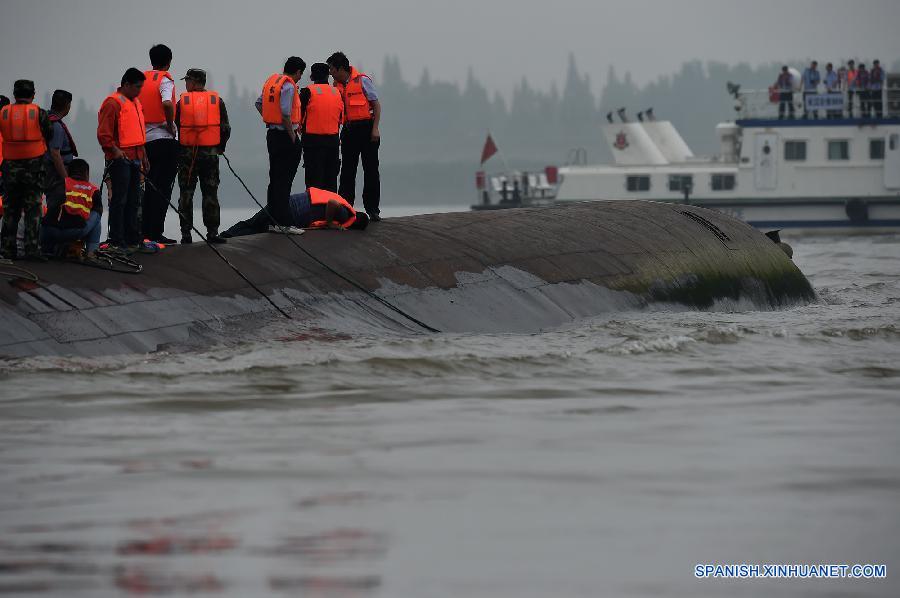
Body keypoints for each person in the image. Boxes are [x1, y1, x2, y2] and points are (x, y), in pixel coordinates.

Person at [175, 68, 231, 244]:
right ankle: (213, 232)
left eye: (187, 80)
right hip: (210, 155)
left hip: (187, 155)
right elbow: (225, 128)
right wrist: (221, 147)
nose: (185, 84)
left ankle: (186, 234)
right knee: (210, 193)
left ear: (194, 82)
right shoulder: (216, 101)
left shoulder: (181, 102)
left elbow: (176, 125)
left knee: (186, 193)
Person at [97, 68, 149, 252]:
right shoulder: (112, 103)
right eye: (137, 87)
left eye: (141, 87)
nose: (139, 91)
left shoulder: (135, 102)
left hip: (136, 158)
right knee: (120, 200)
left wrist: (144, 157)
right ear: (126, 84)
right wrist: (115, 150)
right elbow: (104, 134)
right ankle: (117, 241)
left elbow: (139, 134)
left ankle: (133, 239)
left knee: (134, 200)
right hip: (121, 160)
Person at [0, 80, 53, 260]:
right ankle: (32, 250)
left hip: (10, 169)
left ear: (14, 94)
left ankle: (7, 249)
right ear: (33, 94)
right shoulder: (39, 113)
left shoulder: (3, 112)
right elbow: (49, 133)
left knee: (10, 210)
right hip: (34, 169)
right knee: (33, 210)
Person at [327, 51, 382, 221]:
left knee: (371, 170)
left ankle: (372, 209)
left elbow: (376, 105)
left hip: (366, 129)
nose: (330, 73)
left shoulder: (362, 81)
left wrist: (375, 129)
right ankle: (345, 208)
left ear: (341, 68)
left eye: (332, 70)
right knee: (347, 171)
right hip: (349, 131)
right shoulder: (336, 86)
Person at [255, 56, 305, 225]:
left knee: (275, 179)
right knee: (284, 180)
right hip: (285, 137)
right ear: (297, 72)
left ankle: (272, 219)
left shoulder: (272, 82)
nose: (299, 78)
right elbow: (285, 113)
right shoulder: (289, 85)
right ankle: (284, 222)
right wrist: (292, 135)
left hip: (272, 135)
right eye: (300, 74)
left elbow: (258, 103)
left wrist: (269, 119)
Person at [139, 44, 179, 244]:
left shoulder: (141, 81)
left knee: (149, 186)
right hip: (164, 140)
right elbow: (166, 103)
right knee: (163, 188)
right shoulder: (165, 79)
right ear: (168, 61)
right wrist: (171, 124)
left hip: (144, 142)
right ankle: (156, 233)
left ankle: (145, 232)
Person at [222, 186, 368, 238]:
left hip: (291, 205)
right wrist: (330, 224)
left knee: (257, 225)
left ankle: (228, 236)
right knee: (255, 224)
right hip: (292, 210)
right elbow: (332, 204)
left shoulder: (346, 206)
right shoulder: (345, 215)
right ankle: (226, 235)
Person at [40, 158, 102, 259]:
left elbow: (51, 205)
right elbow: (98, 211)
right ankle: (91, 252)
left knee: (48, 214)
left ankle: (47, 249)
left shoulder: (59, 183)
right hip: (74, 231)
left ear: (68, 171)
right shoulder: (93, 189)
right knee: (97, 215)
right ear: (86, 173)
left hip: (49, 230)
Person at [300, 63, 343, 192]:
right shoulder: (337, 92)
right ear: (327, 76)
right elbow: (341, 117)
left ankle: (314, 210)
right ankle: (331, 210)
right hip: (333, 143)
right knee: (331, 181)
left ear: (312, 76)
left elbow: (298, 116)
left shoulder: (307, 92)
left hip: (312, 143)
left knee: (314, 182)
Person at [45, 89, 77, 212]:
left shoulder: (48, 120)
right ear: (67, 106)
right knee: (57, 205)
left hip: (51, 173)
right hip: (57, 176)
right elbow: (55, 154)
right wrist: (66, 179)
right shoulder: (56, 126)